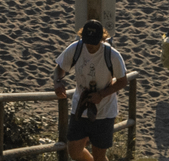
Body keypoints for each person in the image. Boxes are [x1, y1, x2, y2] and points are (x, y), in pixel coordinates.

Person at [53, 19, 129, 161]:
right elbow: (59, 68)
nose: (90, 46)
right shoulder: (76, 48)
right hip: (80, 107)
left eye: (94, 42)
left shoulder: (112, 55)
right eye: (87, 41)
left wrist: (101, 94)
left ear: (102, 39)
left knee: (100, 156)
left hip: (104, 112)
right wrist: (57, 82)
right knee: (74, 151)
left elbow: (123, 81)